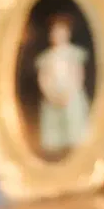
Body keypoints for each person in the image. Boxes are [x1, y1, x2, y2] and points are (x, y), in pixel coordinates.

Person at [34, 12, 92, 158]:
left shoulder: (73, 54)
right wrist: (50, 93)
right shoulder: (47, 57)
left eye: (61, 32)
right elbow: (43, 78)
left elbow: (78, 74)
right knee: (55, 127)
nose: (58, 35)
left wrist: (70, 92)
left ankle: (76, 155)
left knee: (73, 122)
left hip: (71, 95)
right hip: (53, 96)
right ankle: (58, 155)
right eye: (55, 32)